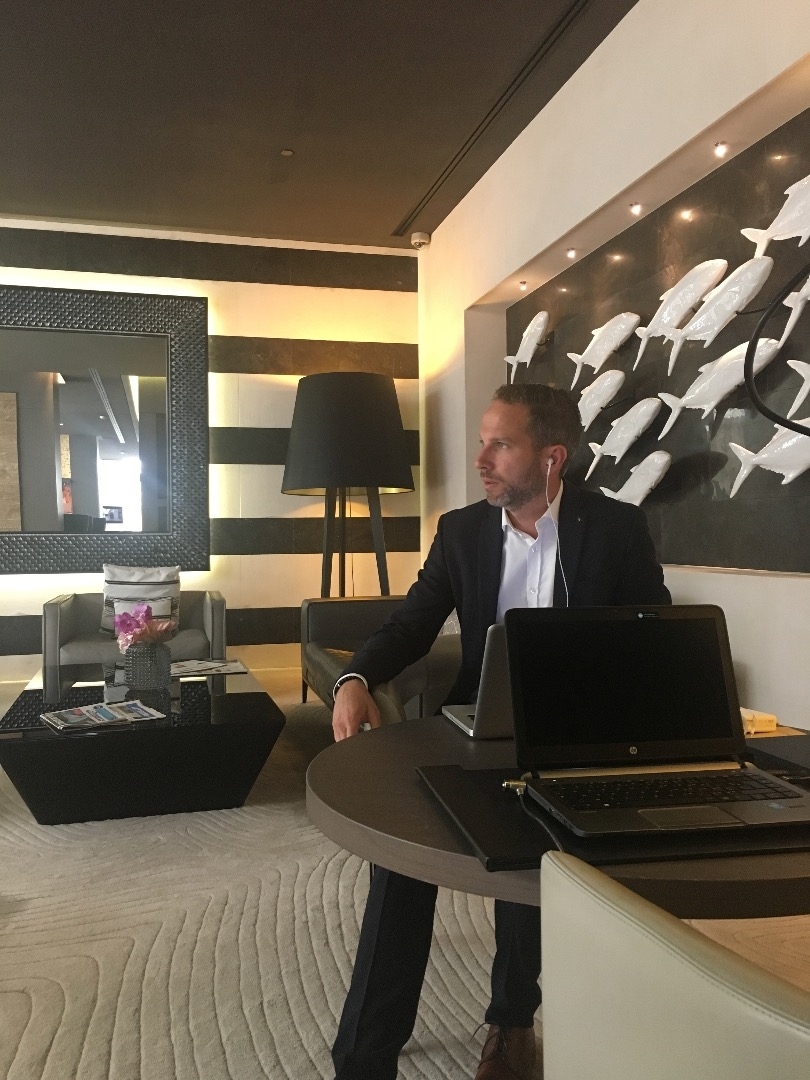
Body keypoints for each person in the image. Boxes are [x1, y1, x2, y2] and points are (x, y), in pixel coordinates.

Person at [330, 382, 671, 1080]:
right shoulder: (462, 532)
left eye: (500, 445)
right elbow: (411, 623)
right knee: (401, 860)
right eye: (483, 442)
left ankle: (511, 1021)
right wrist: (355, 677)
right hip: (469, 727)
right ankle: (363, 1058)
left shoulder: (615, 529)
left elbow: (653, 635)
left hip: (571, 738)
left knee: (529, 859)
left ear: (552, 457)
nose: (481, 459)